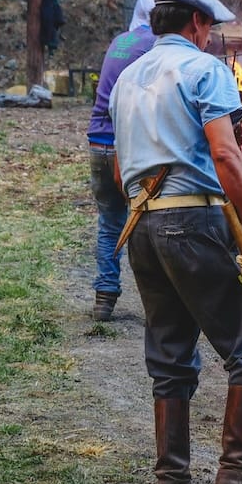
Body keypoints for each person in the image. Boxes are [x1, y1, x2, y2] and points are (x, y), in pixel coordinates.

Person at [109, 0, 242, 484]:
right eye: (209, 26)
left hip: (143, 226)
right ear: (195, 23)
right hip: (194, 220)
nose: (211, 35)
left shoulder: (127, 77)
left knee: (170, 352)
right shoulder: (204, 69)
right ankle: (239, 474)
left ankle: (172, 480)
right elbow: (226, 155)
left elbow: (119, 163)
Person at [86, 24, 158, 321]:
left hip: (98, 141)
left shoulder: (123, 39)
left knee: (109, 222)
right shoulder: (157, 48)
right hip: (126, 145)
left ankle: (105, 296)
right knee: (148, 221)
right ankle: (158, 299)